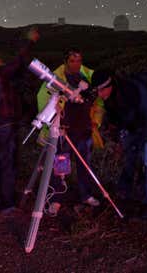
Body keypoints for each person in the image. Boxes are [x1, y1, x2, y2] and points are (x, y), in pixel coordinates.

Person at [0, 27, 39, 215]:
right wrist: (30, 41)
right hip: (4, 124)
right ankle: (6, 203)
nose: (0, 58)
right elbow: (19, 62)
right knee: (7, 163)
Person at [36, 50, 103, 214]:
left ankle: (85, 195)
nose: (76, 64)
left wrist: (95, 121)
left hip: (84, 130)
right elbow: (45, 99)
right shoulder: (58, 79)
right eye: (72, 61)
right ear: (66, 62)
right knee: (61, 164)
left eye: (79, 60)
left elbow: (96, 102)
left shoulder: (86, 78)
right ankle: (57, 198)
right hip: (64, 130)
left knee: (84, 165)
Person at [93, 69, 147, 219]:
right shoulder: (108, 97)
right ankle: (125, 192)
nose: (100, 95)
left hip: (145, 125)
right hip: (129, 128)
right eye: (97, 91)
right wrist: (119, 137)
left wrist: (142, 140)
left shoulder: (133, 90)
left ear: (109, 86)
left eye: (101, 90)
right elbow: (117, 118)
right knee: (129, 159)